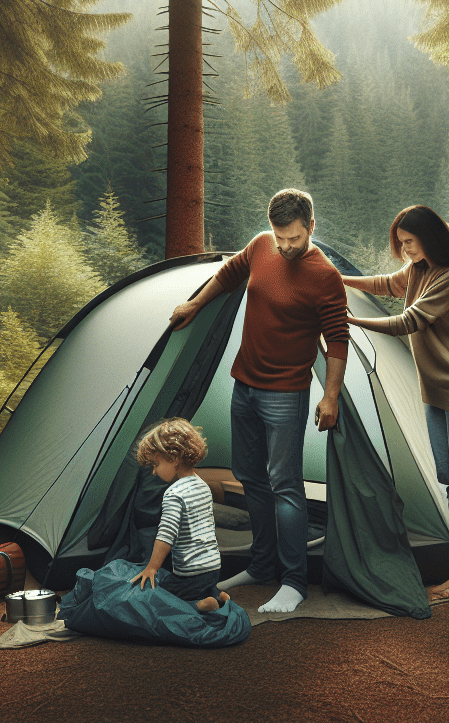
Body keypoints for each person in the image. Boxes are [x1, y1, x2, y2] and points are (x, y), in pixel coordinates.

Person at [169, 188, 348, 613]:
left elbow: (338, 340)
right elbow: (230, 273)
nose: (285, 246)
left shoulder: (325, 276)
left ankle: (294, 581)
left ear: (311, 227)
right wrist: (195, 303)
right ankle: (263, 563)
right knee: (250, 476)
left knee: (285, 485)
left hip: (286, 393)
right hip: (244, 384)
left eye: (295, 239)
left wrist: (331, 396)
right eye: (279, 237)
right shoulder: (261, 245)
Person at [340, 205, 449, 601]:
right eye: (401, 243)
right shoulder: (419, 271)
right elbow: (384, 284)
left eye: (409, 242)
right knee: (447, 479)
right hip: (436, 391)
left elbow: (408, 321)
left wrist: (353, 323)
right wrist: (336, 278)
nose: (405, 250)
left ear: (430, 238)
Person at [129, 418, 229, 612]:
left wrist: (151, 568)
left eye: (156, 464)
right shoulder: (203, 486)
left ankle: (198, 605)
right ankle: (217, 595)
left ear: (174, 458)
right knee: (201, 586)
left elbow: (166, 536)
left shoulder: (174, 494)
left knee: (157, 596)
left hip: (190, 574)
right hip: (213, 567)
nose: (154, 472)